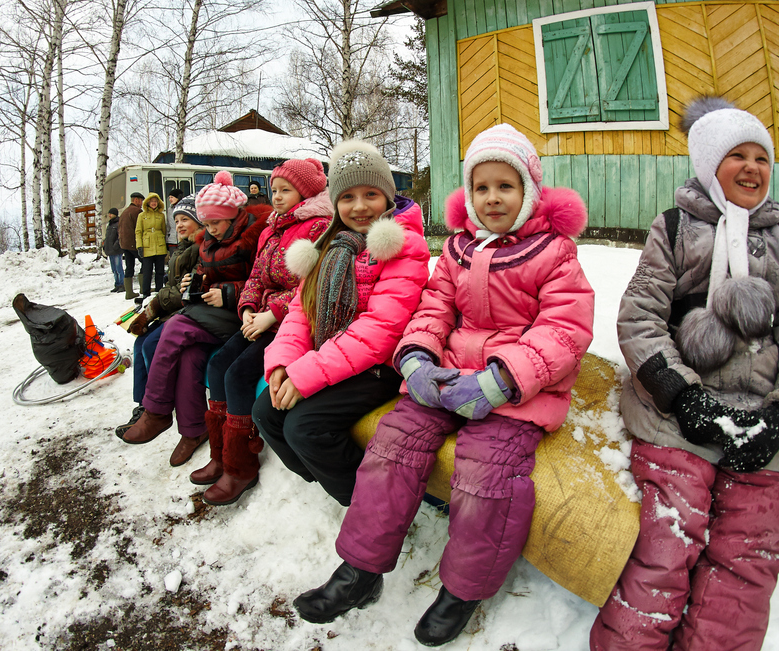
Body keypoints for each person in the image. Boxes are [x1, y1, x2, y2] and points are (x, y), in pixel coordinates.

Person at [292, 124, 596, 646]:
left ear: (529, 191)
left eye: (506, 186)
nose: (493, 197)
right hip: (449, 376)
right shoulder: (458, 249)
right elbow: (434, 309)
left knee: (486, 471)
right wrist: (416, 359)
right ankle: (360, 569)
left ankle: (462, 589)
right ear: (468, 195)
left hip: (514, 387)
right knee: (393, 443)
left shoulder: (554, 252)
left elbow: (564, 328)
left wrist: (504, 379)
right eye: (482, 187)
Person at [589, 97, 779, 651]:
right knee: (666, 542)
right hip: (678, 419)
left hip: (758, 421)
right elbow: (640, 317)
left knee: (750, 552)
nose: (752, 167)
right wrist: (682, 396)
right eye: (736, 156)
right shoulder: (676, 228)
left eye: (761, 158)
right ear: (707, 164)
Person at [252, 140, 430, 507]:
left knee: (306, 428)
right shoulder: (329, 246)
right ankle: (326, 478)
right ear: (335, 203)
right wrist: (284, 363)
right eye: (348, 197)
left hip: (380, 366)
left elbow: (379, 330)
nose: (360, 206)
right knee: (265, 413)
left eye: (370, 194)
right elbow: (301, 312)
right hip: (334, 356)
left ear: (388, 197)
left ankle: (371, 505)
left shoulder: (402, 246)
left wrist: (306, 375)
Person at [193, 158, 333, 506]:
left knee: (239, 374)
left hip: (291, 323)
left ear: (306, 193)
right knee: (218, 366)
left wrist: (271, 315)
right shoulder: (272, 228)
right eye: (275, 190)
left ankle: (240, 466)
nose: (278, 197)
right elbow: (256, 276)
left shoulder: (319, 227)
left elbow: (310, 286)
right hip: (261, 318)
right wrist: (247, 308)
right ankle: (220, 454)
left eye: (286, 190)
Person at [120, 172, 272, 467]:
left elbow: (263, 280)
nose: (210, 229)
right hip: (214, 312)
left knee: (175, 327)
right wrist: (195, 281)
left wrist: (228, 293)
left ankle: (157, 411)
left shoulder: (254, 236)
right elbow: (204, 273)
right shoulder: (208, 240)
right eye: (207, 223)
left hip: (242, 314)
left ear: (233, 215)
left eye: (216, 222)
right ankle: (193, 430)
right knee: (190, 356)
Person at [113, 195, 202, 453]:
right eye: (177, 220)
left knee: (152, 343)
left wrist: (154, 306)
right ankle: (143, 405)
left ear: (199, 221)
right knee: (140, 342)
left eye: (185, 219)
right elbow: (171, 286)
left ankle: (161, 402)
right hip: (172, 308)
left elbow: (184, 292)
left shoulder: (199, 249)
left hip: (187, 310)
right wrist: (151, 309)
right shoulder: (182, 248)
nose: (180, 225)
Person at [135, 192, 168, 298]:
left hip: (160, 246)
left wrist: (165, 244)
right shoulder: (141, 215)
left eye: (155, 201)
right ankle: (145, 293)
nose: (154, 203)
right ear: (147, 203)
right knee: (147, 272)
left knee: (160, 271)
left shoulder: (161, 215)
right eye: (152, 201)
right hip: (147, 247)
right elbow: (138, 232)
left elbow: (164, 230)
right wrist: (139, 246)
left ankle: (159, 292)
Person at [118, 192, 144, 299]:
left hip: (124, 244)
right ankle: (143, 288)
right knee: (146, 262)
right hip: (134, 244)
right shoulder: (137, 211)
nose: (141, 204)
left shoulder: (124, 212)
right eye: (141, 201)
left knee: (129, 267)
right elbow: (140, 228)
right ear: (136, 200)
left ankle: (129, 293)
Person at [103, 207, 123, 292]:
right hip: (110, 250)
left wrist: (116, 245)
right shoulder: (110, 225)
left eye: (111, 214)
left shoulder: (118, 224)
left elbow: (120, 236)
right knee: (114, 269)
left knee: (118, 268)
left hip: (116, 250)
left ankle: (122, 284)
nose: (109, 215)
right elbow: (107, 237)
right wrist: (105, 245)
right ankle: (117, 284)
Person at [165, 189, 183, 257]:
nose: (170, 199)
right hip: (172, 240)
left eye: (172, 197)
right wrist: (167, 239)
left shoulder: (183, 208)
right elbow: (168, 225)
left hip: (182, 239)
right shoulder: (169, 209)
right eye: (169, 197)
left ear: (178, 197)